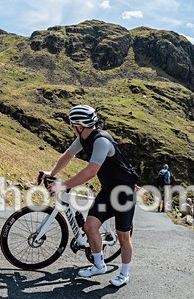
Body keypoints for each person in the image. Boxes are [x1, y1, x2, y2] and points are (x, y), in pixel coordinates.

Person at [40, 104, 139, 287]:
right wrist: (51, 172)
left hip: (123, 193)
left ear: (80, 125)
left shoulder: (101, 141)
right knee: (90, 226)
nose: (71, 128)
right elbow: (68, 155)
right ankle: (99, 265)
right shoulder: (83, 138)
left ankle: (124, 274)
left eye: (72, 124)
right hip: (108, 191)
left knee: (123, 235)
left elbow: (91, 171)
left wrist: (63, 185)